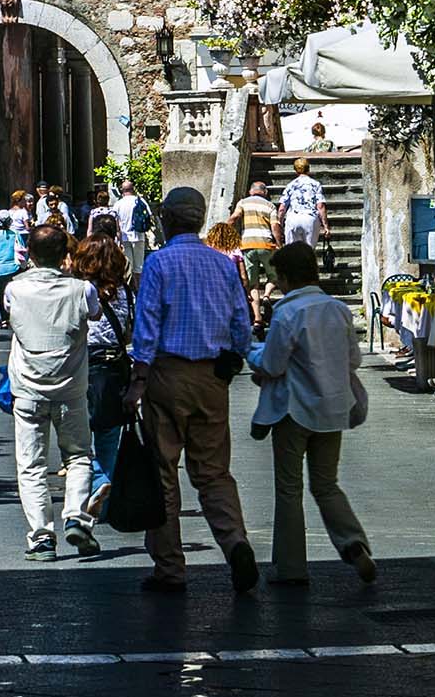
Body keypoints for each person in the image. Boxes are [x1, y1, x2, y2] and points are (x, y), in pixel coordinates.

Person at [124, 186, 256, 596]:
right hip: (212, 376)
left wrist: (138, 379)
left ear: (165, 218)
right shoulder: (222, 265)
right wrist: (234, 357)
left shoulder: (159, 264)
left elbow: (147, 326)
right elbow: (241, 322)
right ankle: (235, 542)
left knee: (164, 472)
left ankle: (170, 567)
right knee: (213, 471)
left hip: (167, 373)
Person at [249, 241, 375, 588]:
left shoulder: (288, 313)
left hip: (293, 410)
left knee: (289, 489)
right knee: (326, 484)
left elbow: (273, 364)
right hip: (332, 408)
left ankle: (291, 567)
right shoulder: (337, 309)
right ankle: (353, 543)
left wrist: (252, 356)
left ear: (286, 276)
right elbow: (353, 361)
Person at [7, 224, 101, 559]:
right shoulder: (82, 290)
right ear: (66, 255)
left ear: (29, 253)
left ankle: (41, 536)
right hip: (71, 387)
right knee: (78, 456)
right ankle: (75, 514)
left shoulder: (14, 289)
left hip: (29, 388)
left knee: (31, 465)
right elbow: (96, 314)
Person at [72, 232, 134, 523]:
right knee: (109, 436)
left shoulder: (78, 291)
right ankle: (104, 499)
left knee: (79, 438)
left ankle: (96, 484)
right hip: (115, 369)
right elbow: (131, 333)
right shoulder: (126, 292)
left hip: (82, 366)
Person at [231, 180, 281, 320]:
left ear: (250, 191)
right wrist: (279, 244)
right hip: (266, 244)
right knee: (274, 277)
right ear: (265, 192)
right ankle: (266, 296)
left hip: (247, 245)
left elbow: (235, 217)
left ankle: (258, 318)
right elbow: (275, 227)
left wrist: (224, 229)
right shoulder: (270, 205)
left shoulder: (243, 202)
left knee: (253, 284)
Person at [278, 158, 327, 249]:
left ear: (295, 170)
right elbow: (320, 206)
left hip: (292, 219)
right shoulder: (315, 184)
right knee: (308, 252)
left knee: (292, 252)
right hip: (310, 219)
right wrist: (325, 226)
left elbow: (282, 208)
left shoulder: (290, 185)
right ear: (308, 169)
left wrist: (280, 224)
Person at [115, 179, 152, 281]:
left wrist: (119, 238)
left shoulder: (118, 204)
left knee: (128, 266)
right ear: (133, 189)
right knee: (139, 266)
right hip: (139, 236)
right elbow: (149, 215)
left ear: (122, 190)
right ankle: (139, 288)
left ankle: (130, 289)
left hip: (124, 237)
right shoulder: (140, 201)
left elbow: (115, 221)